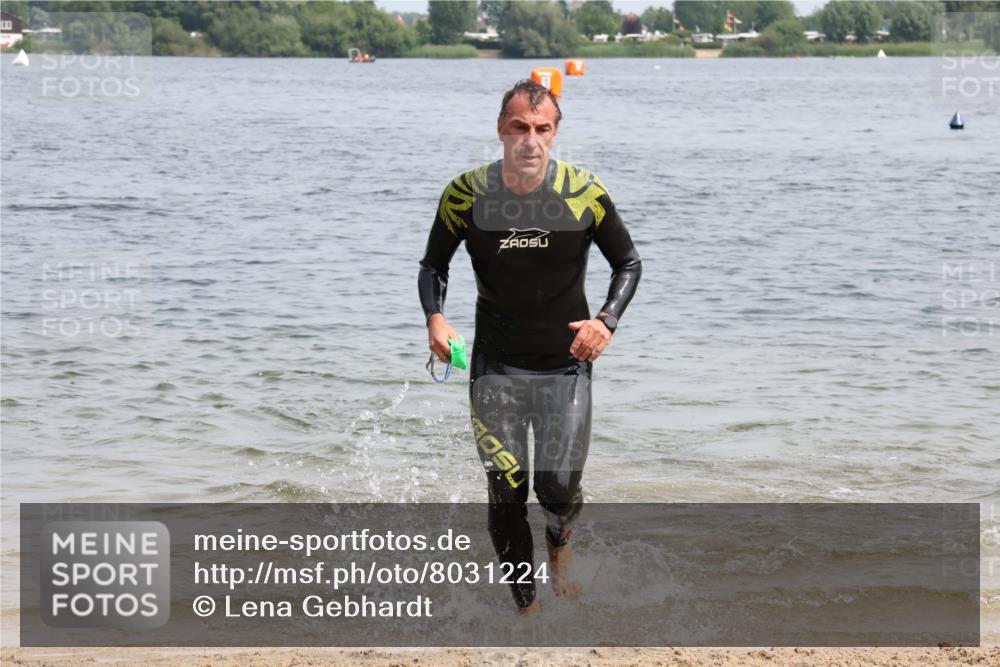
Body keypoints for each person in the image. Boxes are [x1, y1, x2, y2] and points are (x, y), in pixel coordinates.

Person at [417, 79, 641, 615]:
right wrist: (437, 320)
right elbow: (433, 266)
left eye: (542, 129)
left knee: (558, 489)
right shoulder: (465, 195)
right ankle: (528, 610)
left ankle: (560, 541)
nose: (530, 141)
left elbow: (628, 263)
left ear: (556, 133)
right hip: (495, 367)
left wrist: (606, 322)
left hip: (567, 367)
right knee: (505, 491)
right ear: (501, 129)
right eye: (519, 128)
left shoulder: (585, 192)